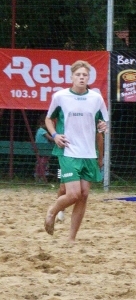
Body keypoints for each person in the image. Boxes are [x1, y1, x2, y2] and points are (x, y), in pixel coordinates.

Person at [43, 61, 109, 242]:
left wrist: (104, 126)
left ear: (89, 78)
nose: (81, 77)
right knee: (73, 194)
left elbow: (103, 124)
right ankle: (52, 211)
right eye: (78, 74)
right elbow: (49, 119)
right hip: (68, 151)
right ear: (71, 77)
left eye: (85, 75)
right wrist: (55, 135)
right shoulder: (61, 96)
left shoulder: (96, 98)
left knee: (84, 195)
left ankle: (71, 239)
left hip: (89, 153)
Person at [34, 116, 55, 183]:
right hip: (44, 150)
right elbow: (51, 139)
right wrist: (57, 138)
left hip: (40, 150)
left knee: (41, 163)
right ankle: (42, 177)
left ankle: (39, 177)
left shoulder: (39, 130)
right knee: (43, 163)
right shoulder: (42, 131)